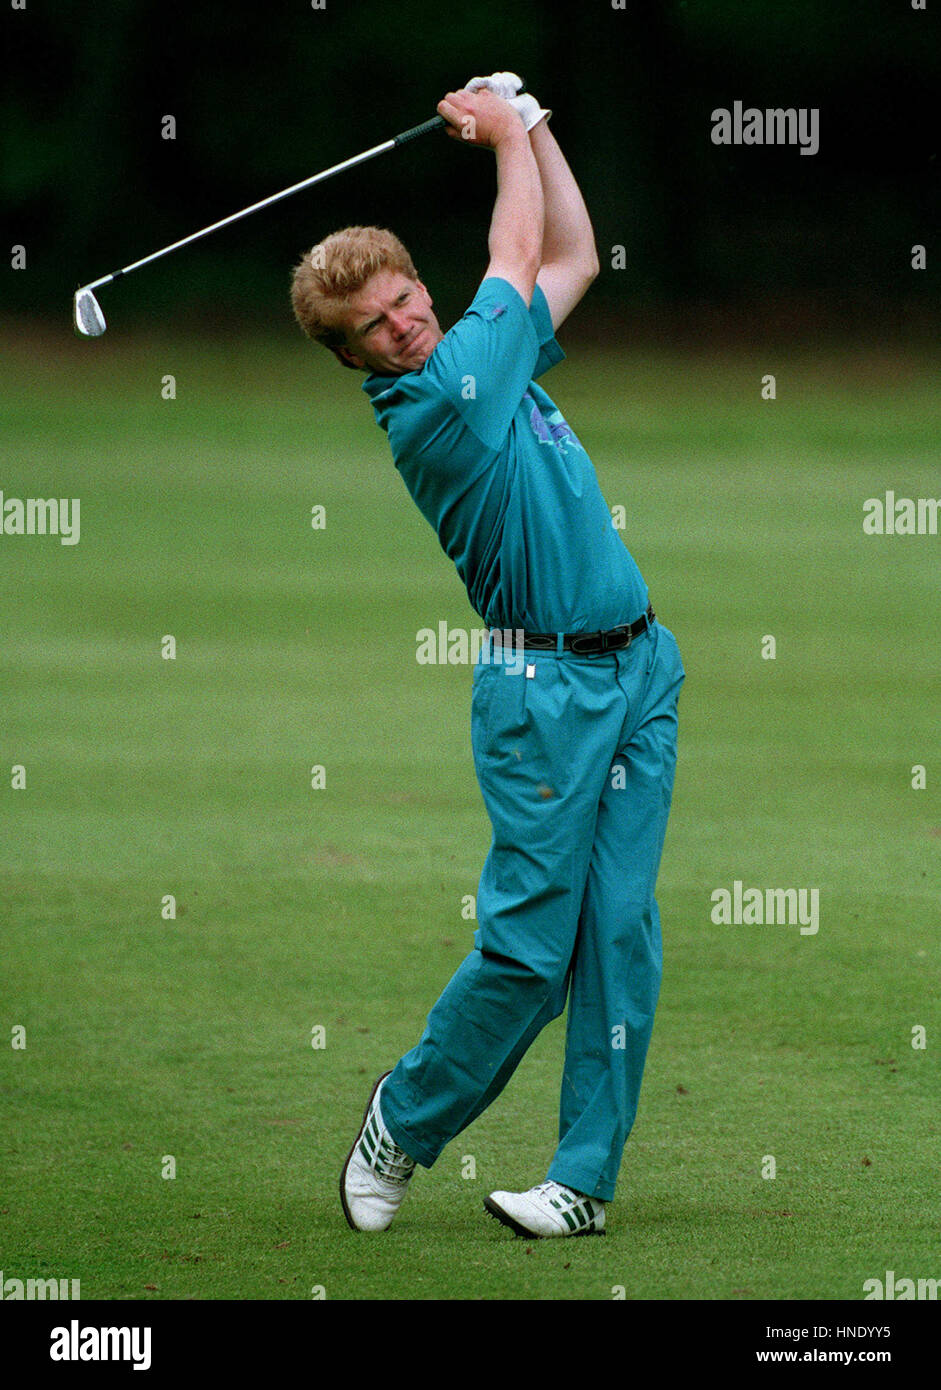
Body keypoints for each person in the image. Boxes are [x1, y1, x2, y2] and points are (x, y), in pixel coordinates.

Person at [290, 74, 685, 1239]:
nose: (403, 322)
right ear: (356, 356)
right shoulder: (438, 404)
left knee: (618, 936)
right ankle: (400, 1124)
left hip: (639, 669)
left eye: (406, 298)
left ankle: (580, 1180)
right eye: (377, 324)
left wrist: (538, 124)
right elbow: (515, 248)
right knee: (527, 954)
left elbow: (571, 259)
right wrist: (504, 130)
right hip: (542, 695)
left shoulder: (484, 351)